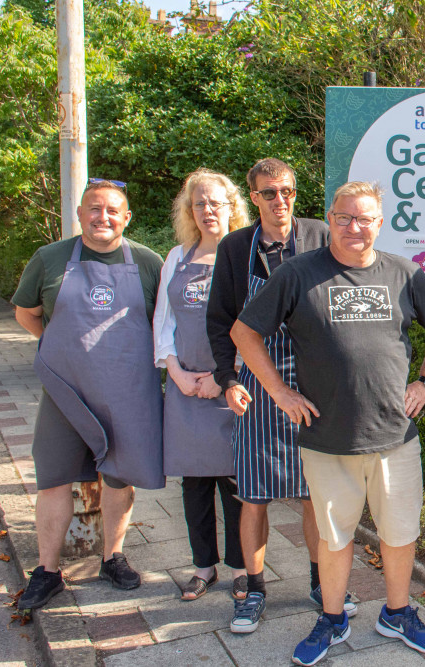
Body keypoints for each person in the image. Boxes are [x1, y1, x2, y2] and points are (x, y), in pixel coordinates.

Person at [231, 181, 425, 666]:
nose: (354, 228)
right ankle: (332, 620)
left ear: (379, 222)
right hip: (327, 438)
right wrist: (279, 391)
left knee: (399, 534)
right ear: (329, 219)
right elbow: (244, 332)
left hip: (395, 436)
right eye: (344, 218)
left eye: (365, 218)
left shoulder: (404, 273)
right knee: (335, 539)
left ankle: (397, 613)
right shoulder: (297, 274)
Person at [12, 179, 165, 610]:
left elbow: (163, 326)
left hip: (128, 394)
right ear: (80, 214)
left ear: (127, 217)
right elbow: (26, 312)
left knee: (119, 477)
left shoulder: (149, 263)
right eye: (94, 209)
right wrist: (61, 349)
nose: (103, 217)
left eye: (113, 210)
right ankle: (47, 571)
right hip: (66, 393)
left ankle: (112, 558)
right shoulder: (50, 259)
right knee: (54, 479)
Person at [206, 158, 345, 632]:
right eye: (269, 193)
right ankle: (254, 588)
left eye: (286, 190)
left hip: (313, 379)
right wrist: (228, 379)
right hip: (259, 381)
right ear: (255, 198)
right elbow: (221, 320)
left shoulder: (320, 237)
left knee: (315, 494)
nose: (279, 200)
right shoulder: (235, 248)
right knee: (254, 494)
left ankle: (318, 581)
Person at [153, 169, 251, 601]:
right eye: (200, 203)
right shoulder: (176, 257)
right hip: (184, 388)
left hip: (231, 386)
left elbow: (259, 328)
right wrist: (175, 372)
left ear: (233, 207)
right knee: (193, 483)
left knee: (233, 484)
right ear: (189, 211)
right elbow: (163, 323)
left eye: (216, 202)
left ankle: (242, 569)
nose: (208, 210)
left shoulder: (246, 258)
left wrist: (221, 377)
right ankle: (202, 567)